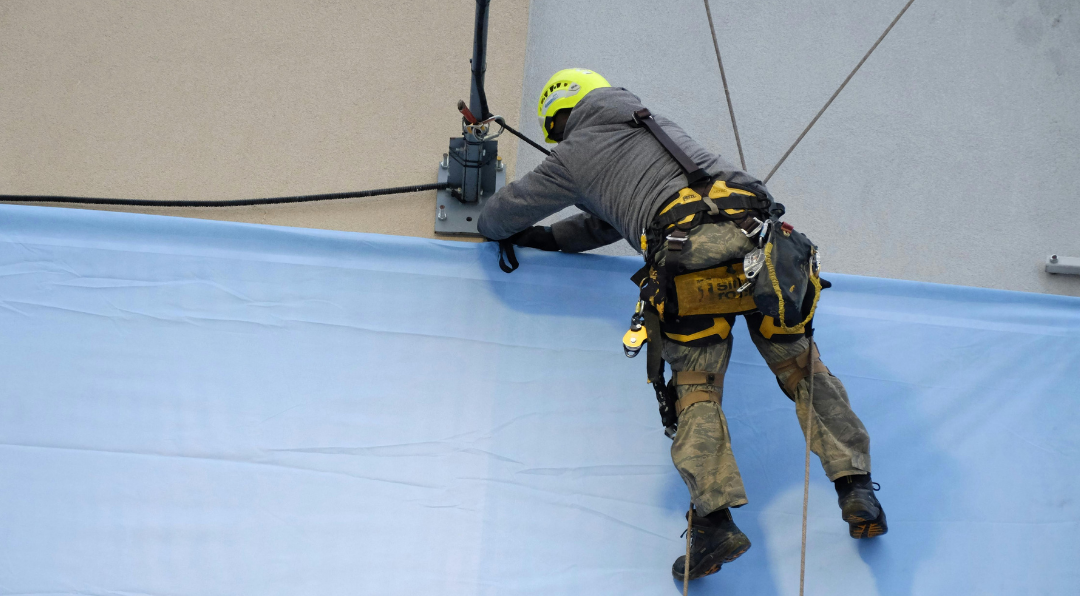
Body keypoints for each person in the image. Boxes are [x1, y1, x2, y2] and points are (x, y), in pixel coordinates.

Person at [477, 68, 886, 581]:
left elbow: (496, 219)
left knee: (697, 391)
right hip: (763, 242)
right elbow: (608, 219)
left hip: (687, 253)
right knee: (804, 368)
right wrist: (555, 238)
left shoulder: (573, 154)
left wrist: (524, 232)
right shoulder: (652, 123)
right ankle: (857, 489)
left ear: (560, 117)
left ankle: (714, 522)